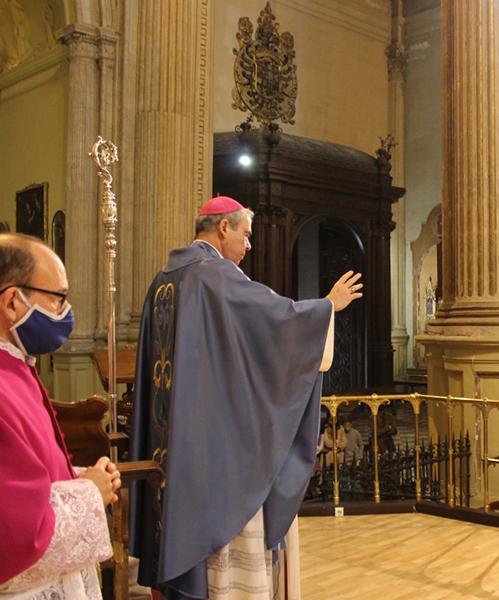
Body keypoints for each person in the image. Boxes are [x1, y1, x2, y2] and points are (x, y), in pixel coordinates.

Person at [130, 197, 363, 599]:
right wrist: (327, 307)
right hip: (212, 445)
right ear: (224, 228)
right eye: (246, 234)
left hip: (172, 434)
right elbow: (277, 322)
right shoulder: (214, 275)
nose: (249, 245)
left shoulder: (164, 279)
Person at [0, 233, 120, 598]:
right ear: (11, 302)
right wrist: (89, 493)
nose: (66, 312)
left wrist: (78, 477)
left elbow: (27, 477)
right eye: (59, 298)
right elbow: (14, 532)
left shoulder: (16, 367)